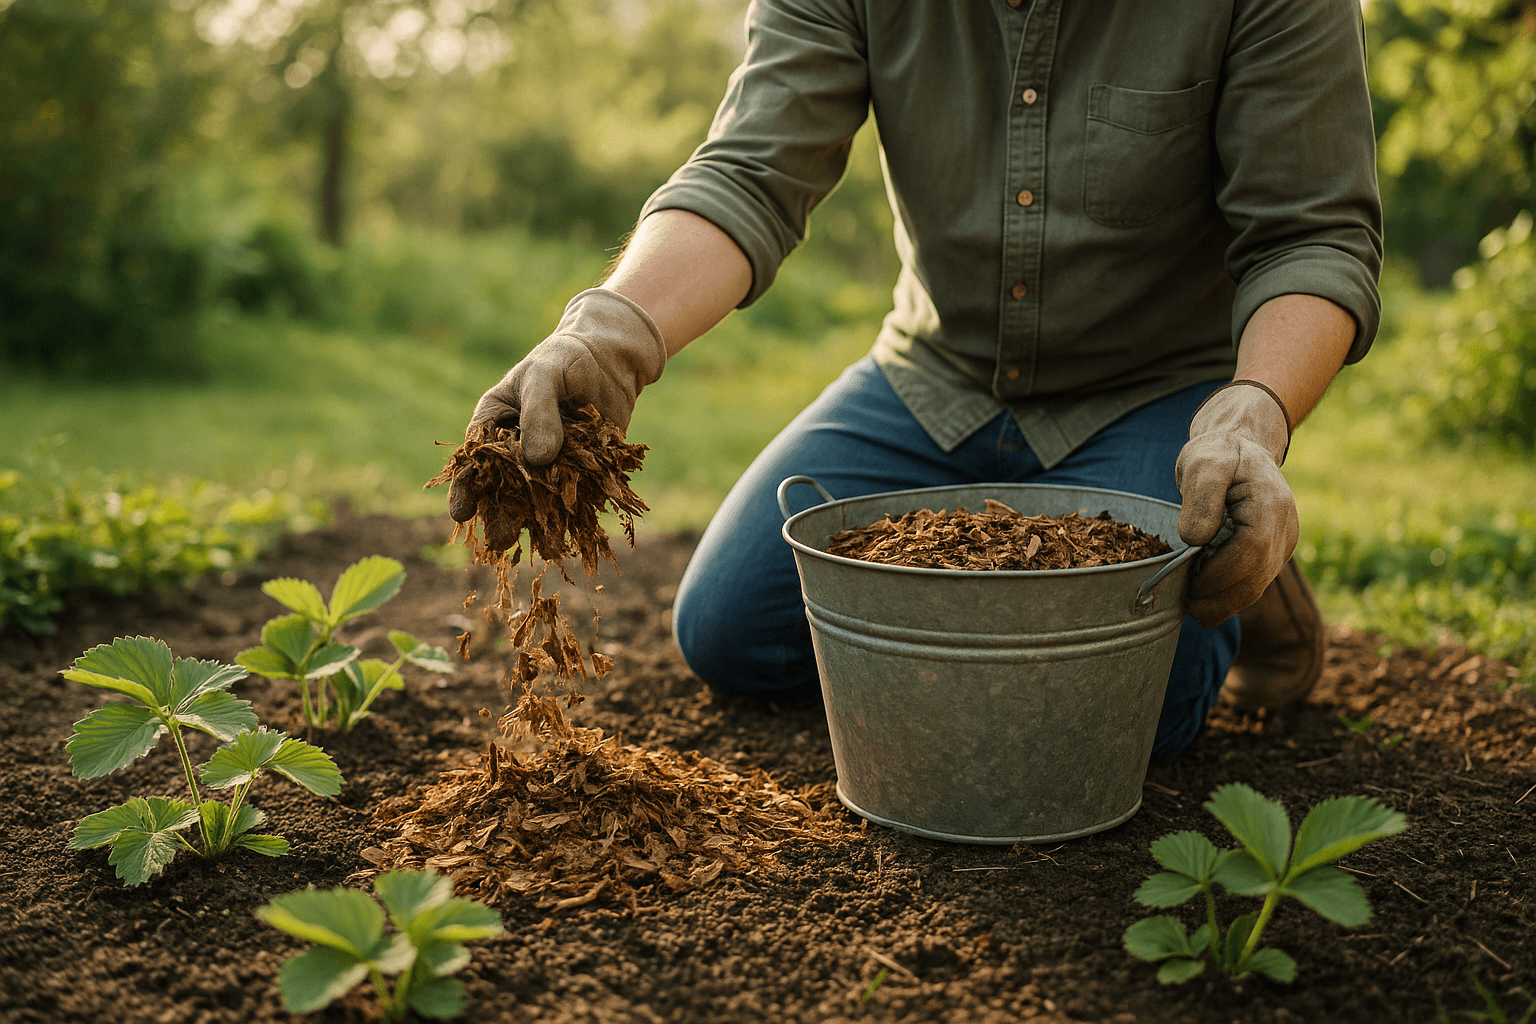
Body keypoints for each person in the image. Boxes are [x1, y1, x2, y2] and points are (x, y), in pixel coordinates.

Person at [449, 0, 1382, 760]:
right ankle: (1082, 543)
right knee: (734, 633)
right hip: (935, 376)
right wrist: (610, 334)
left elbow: (1312, 237)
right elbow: (751, 173)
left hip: (1158, 392)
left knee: (1134, 716)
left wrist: (1251, 420)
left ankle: (1234, 532)